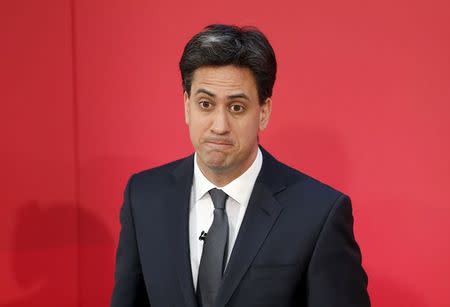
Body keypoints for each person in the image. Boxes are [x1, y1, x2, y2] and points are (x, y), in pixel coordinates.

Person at [111, 24, 370, 307]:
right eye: (205, 104)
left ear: (264, 112)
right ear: (187, 105)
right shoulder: (144, 196)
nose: (219, 126)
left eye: (236, 108)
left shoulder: (319, 214)